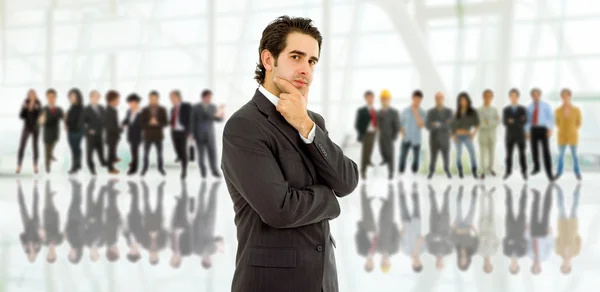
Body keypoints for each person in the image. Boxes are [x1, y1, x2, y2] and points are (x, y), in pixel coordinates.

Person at [220, 16, 358, 292]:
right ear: (268, 60)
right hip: (272, 282)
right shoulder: (244, 126)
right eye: (296, 57)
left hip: (322, 280)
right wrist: (329, 200)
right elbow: (279, 210)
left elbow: (346, 181)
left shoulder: (312, 120)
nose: (305, 68)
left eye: (312, 61)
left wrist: (305, 125)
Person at [190, 89, 225, 178]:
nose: (210, 99)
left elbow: (216, 119)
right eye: (208, 97)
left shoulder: (213, 107)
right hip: (199, 134)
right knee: (201, 155)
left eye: (211, 97)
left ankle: (214, 171)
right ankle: (203, 172)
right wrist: (191, 134)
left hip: (210, 134)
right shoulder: (196, 107)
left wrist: (221, 116)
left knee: (212, 154)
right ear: (204, 97)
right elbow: (192, 121)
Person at [525, 88, 554, 181]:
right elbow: (527, 120)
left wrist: (550, 129)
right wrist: (526, 131)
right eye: (534, 95)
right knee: (534, 150)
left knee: (546, 151)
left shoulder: (546, 105)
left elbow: (550, 118)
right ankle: (536, 167)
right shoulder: (529, 107)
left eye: (537, 95)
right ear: (531, 96)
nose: (535, 97)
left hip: (543, 129)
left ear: (540, 95)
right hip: (533, 129)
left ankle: (549, 173)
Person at [554, 88, 582, 181]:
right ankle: (558, 173)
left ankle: (577, 173)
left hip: (573, 136)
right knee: (561, 155)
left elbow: (579, 122)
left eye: (567, 95)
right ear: (561, 97)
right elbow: (556, 122)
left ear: (570, 96)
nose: (565, 97)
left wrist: (572, 130)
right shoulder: (558, 110)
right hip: (561, 135)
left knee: (574, 155)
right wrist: (563, 129)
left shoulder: (576, 110)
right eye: (563, 96)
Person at [451, 92, 480, 179]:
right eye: (461, 100)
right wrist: (453, 136)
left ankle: (474, 171)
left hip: (467, 135)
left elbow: (477, 124)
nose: (462, 102)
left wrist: (473, 134)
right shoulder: (456, 112)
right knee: (458, 154)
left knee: (472, 153)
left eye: (464, 100)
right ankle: (460, 171)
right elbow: (452, 126)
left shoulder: (473, 112)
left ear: (467, 100)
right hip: (457, 136)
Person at [140, 90, 168, 176]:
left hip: (158, 135)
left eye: (155, 99)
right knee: (146, 153)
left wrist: (158, 123)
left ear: (158, 99)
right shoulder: (144, 109)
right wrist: (149, 122)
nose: (153, 100)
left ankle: (160, 168)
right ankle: (144, 168)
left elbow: (166, 122)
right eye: (151, 98)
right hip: (147, 135)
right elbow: (141, 123)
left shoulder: (163, 109)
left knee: (159, 153)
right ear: (149, 99)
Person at [425, 92, 453, 179]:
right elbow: (427, 125)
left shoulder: (449, 111)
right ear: (435, 99)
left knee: (446, 156)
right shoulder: (430, 112)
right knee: (433, 157)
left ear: (443, 99)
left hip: (445, 139)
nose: (439, 99)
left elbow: (450, 125)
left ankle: (447, 170)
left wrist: (436, 124)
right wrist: (443, 123)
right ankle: (431, 172)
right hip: (434, 139)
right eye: (437, 98)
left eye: (440, 97)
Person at [502, 88, 528, 180]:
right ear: (509, 97)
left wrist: (512, 121)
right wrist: (518, 120)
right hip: (509, 136)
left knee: (522, 154)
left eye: (515, 96)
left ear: (518, 97)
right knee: (508, 155)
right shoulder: (506, 109)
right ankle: (508, 172)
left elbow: (524, 121)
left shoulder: (523, 109)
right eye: (511, 96)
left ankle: (524, 172)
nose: (513, 98)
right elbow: (505, 122)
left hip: (521, 135)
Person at [399, 90, 426, 176]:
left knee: (416, 159)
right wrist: (402, 134)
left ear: (421, 100)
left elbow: (421, 125)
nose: (417, 101)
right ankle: (401, 173)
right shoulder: (405, 111)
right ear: (412, 98)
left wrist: (416, 113)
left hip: (416, 139)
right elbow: (401, 124)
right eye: (415, 99)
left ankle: (414, 175)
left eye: (419, 100)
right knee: (402, 157)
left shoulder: (422, 112)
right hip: (406, 138)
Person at [82, 90, 107, 175]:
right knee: (90, 153)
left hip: (100, 134)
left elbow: (105, 120)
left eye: (98, 97)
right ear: (90, 97)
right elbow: (81, 124)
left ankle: (103, 163)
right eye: (95, 97)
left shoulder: (102, 108)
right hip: (91, 135)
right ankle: (92, 169)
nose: (96, 99)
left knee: (101, 151)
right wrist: (88, 131)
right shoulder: (86, 109)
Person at [377, 89, 401, 180]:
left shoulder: (393, 112)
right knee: (382, 149)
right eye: (383, 99)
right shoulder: (379, 112)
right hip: (381, 135)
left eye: (386, 99)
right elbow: (377, 122)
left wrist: (394, 136)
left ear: (389, 100)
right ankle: (384, 159)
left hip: (389, 136)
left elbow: (397, 125)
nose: (384, 100)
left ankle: (391, 172)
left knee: (390, 154)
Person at [39, 89, 64, 173]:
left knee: (51, 148)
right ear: (47, 98)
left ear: (56, 98)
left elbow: (64, 118)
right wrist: (42, 119)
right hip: (47, 133)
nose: (51, 99)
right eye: (49, 97)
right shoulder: (44, 109)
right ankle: (47, 168)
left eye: (53, 97)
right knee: (47, 151)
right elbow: (41, 121)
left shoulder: (59, 109)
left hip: (55, 133)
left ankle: (51, 155)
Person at [17, 89, 42, 174]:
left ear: (35, 96)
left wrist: (37, 109)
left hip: (36, 127)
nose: (31, 96)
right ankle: (19, 165)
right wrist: (24, 108)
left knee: (35, 146)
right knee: (22, 145)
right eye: (30, 95)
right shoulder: (25, 102)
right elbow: (21, 116)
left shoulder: (38, 103)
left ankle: (35, 165)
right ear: (28, 96)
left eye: (33, 95)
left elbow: (40, 116)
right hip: (27, 127)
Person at [169, 90, 193, 179]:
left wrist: (191, 132)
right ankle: (179, 155)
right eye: (170, 98)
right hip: (174, 131)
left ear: (178, 97)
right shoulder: (172, 108)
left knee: (183, 150)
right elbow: (172, 119)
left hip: (183, 132)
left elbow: (191, 119)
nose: (171, 99)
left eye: (172, 97)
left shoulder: (186, 106)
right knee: (177, 148)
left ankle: (184, 170)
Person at [354, 90, 377, 179]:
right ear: (366, 98)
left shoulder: (374, 110)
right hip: (366, 134)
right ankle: (363, 171)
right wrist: (362, 132)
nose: (371, 99)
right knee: (365, 152)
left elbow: (375, 120)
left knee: (370, 150)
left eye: (372, 97)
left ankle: (368, 161)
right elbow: (358, 124)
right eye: (369, 98)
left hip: (373, 133)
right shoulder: (362, 110)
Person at [477, 89, 500, 179]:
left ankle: (491, 169)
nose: (488, 98)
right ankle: (483, 171)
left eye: (490, 97)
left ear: (492, 98)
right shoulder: (479, 110)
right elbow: (479, 123)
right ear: (483, 97)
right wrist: (490, 123)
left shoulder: (494, 110)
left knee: (492, 152)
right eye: (486, 96)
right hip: (483, 135)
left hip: (492, 134)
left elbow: (498, 122)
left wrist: (488, 123)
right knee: (483, 153)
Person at [121, 94, 143, 175]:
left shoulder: (142, 112)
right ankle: (133, 163)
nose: (130, 104)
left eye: (131, 102)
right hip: (130, 135)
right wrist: (122, 124)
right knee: (133, 151)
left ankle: (134, 168)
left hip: (138, 135)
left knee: (134, 151)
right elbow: (127, 120)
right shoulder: (128, 111)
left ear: (136, 102)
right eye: (129, 103)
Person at [65, 88, 85, 175]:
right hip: (70, 131)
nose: (71, 98)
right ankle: (78, 165)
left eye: (73, 96)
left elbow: (80, 120)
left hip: (77, 131)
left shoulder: (81, 107)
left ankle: (74, 167)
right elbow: (68, 120)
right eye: (70, 96)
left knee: (75, 149)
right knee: (74, 149)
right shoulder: (71, 107)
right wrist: (66, 121)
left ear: (77, 96)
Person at [104, 90, 121, 174]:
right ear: (112, 100)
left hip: (114, 135)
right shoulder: (108, 111)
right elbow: (110, 126)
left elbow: (114, 123)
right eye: (117, 99)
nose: (118, 101)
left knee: (113, 150)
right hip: (111, 136)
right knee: (110, 152)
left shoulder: (113, 110)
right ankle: (110, 168)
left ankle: (114, 158)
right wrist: (119, 129)